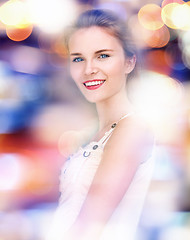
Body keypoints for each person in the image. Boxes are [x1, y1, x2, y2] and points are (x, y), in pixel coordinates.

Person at [46, 9, 155, 240]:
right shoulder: (101, 131)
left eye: (103, 55)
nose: (88, 69)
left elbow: (89, 226)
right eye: (78, 58)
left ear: (129, 62)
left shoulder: (131, 129)